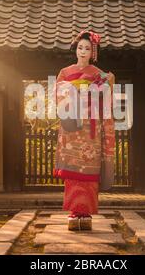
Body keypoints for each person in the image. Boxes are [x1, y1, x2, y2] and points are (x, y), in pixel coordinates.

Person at [53, 30, 115, 231]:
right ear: (76, 49)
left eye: (87, 48)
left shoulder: (99, 74)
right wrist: (73, 92)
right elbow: (57, 93)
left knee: (88, 171)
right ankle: (73, 212)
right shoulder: (65, 72)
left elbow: (105, 97)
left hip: (90, 128)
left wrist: (107, 84)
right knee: (73, 173)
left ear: (92, 52)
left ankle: (86, 213)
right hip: (73, 126)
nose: (83, 51)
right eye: (80, 47)